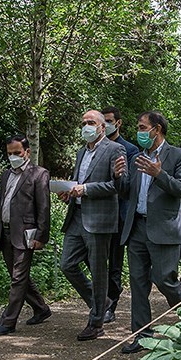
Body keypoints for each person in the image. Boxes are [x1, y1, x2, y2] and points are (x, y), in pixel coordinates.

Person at [118, 110, 181, 354]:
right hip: (137, 227)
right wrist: (119, 177)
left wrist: (159, 174)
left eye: (142, 127)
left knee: (165, 280)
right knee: (138, 284)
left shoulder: (179, 155)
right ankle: (142, 335)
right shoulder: (136, 158)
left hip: (163, 229)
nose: (139, 132)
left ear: (156, 129)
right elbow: (128, 191)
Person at [58, 110, 126, 341]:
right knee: (67, 263)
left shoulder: (114, 149)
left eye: (91, 122)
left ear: (102, 127)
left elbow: (117, 186)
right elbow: (79, 182)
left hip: (99, 219)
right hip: (76, 215)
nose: (86, 126)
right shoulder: (80, 152)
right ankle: (101, 302)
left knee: (99, 271)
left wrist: (85, 190)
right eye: (84, 123)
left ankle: (96, 322)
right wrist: (69, 192)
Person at [0, 135, 52, 337]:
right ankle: (41, 308)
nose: (13, 157)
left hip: (26, 235)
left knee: (18, 277)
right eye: (9, 153)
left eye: (17, 153)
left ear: (27, 152)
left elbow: (44, 208)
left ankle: (8, 321)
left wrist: (41, 236)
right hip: (5, 233)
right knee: (18, 277)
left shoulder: (39, 174)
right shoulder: (6, 175)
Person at [101, 106, 139, 324]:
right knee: (93, 259)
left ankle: (111, 303)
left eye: (109, 121)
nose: (105, 125)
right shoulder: (94, 148)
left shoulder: (130, 149)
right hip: (95, 214)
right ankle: (102, 297)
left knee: (115, 263)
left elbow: (127, 184)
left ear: (118, 123)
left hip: (119, 215)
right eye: (102, 121)